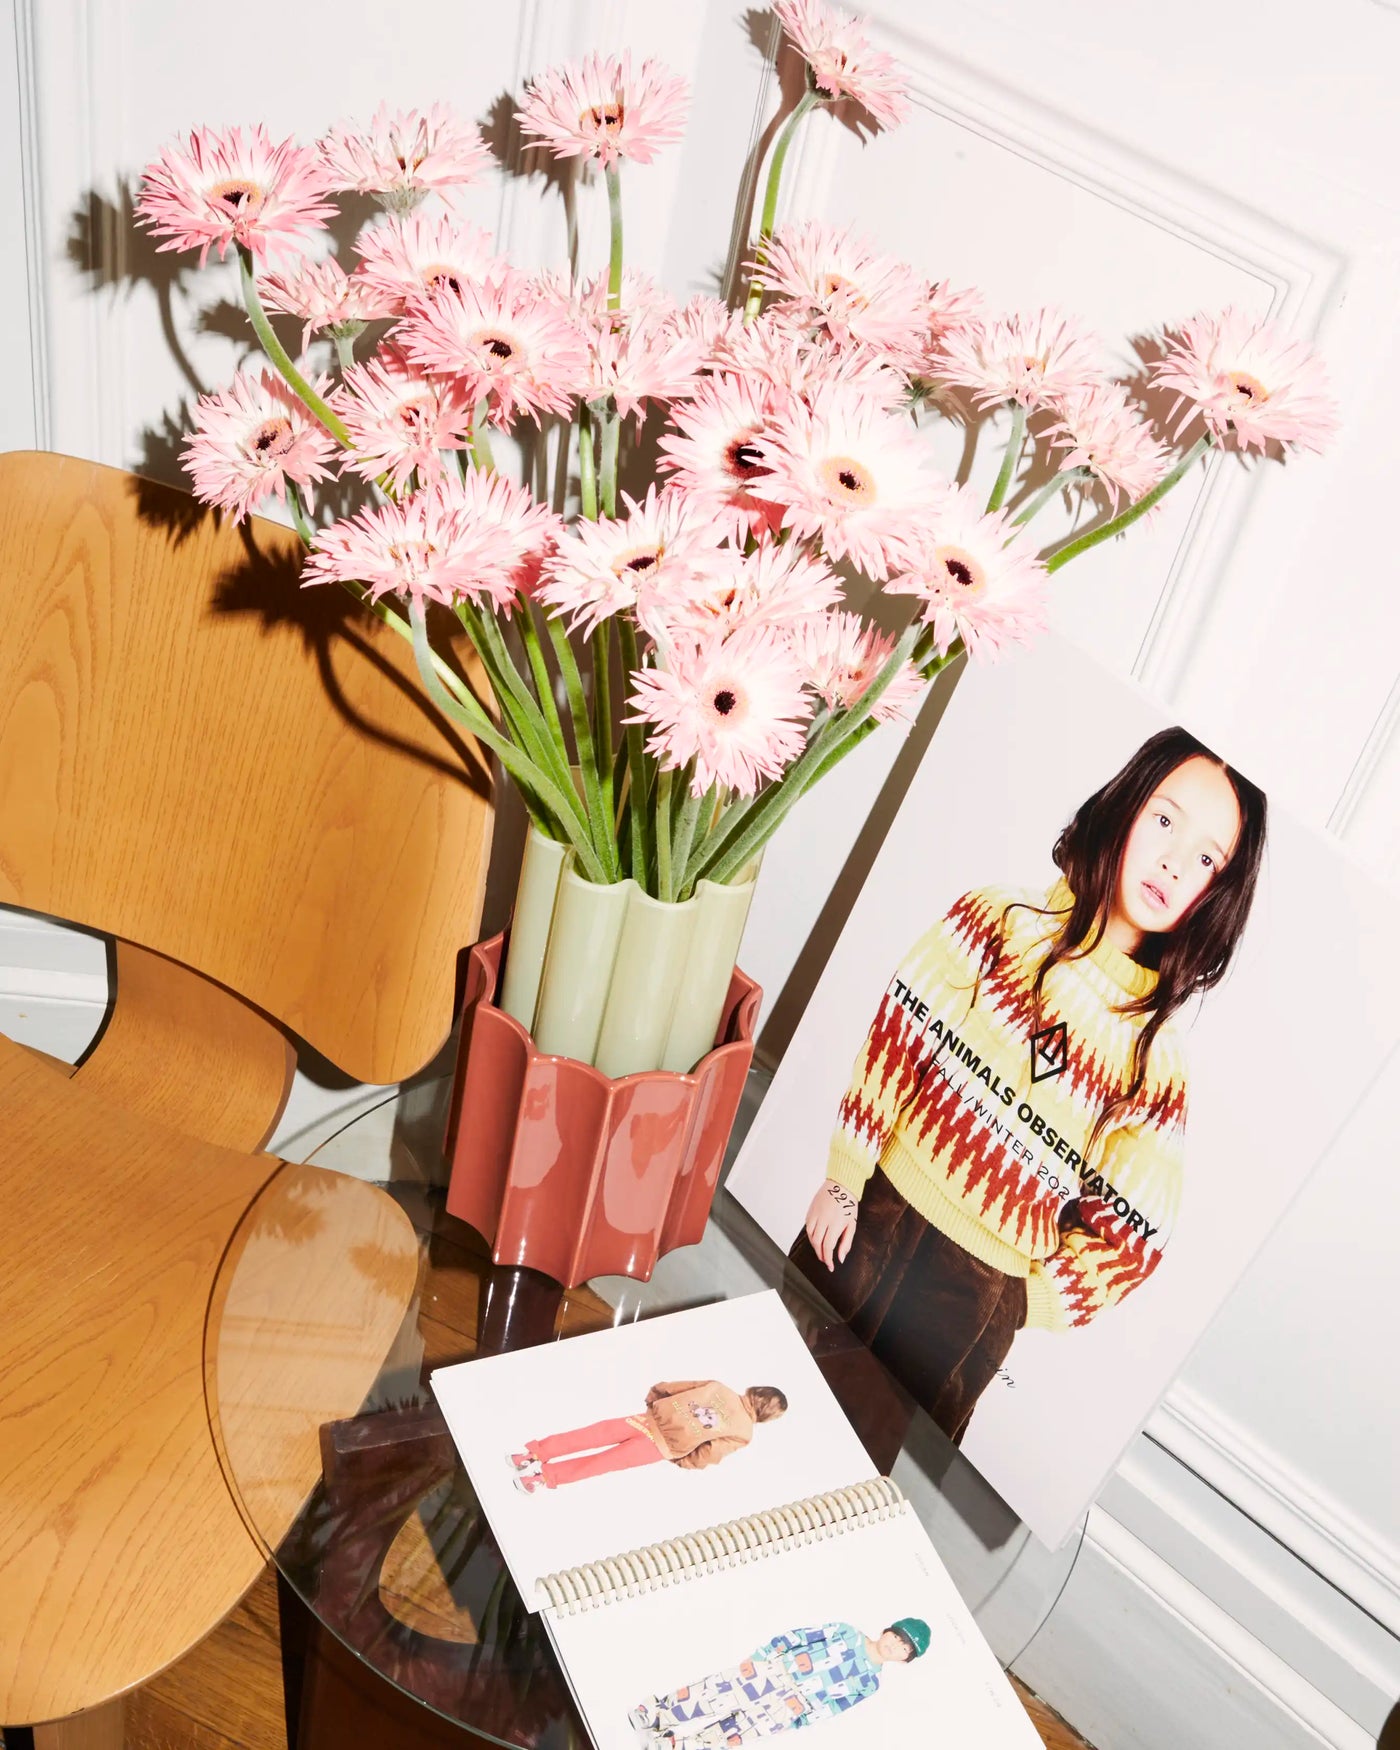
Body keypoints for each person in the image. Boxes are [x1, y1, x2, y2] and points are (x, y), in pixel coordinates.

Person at [790, 726, 1267, 1443]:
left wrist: (1022, 1302)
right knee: (762, 1396)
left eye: (1206, 858)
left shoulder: (1155, 1062)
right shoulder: (997, 920)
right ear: (1126, 804)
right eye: (1165, 820)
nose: (1174, 862)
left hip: (972, 1300)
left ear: (1217, 892)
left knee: (866, 1480)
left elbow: (1136, 1232)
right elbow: (900, 1034)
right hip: (871, 1215)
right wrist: (843, 1176)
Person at [630, 1616, 929, 1746]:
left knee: (734, 1733)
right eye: (897, 1637)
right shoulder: (847, 1632)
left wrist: (799, 1721)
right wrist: (763, 1657)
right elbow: (800, 1636)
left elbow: (837, 1706)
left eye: (904, 1649)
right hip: (775, 1672)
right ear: (887, 1631)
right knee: (711, 1694)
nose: (895, 1646)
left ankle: (675, 1746)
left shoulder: (872, 1683)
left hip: (792, 1706)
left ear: (905, 1660)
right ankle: (656, 1714)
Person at [507, 1379, 789, 1493]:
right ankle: (542, 1477)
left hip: (648, 1420)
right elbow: (709, 1453)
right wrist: (681, 1459)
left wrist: (654, 1399)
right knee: (602, 1463)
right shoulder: (743, 1433)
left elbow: (673, 1388)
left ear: (757, 1390)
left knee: (592, 1434)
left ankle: (531, 1454)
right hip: (661, 1447)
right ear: (768, 1415)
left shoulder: (719, 1388)